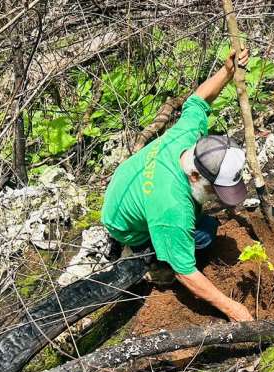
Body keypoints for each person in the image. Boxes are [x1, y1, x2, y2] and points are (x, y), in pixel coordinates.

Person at [101, 48, 254, 322]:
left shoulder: (191, 136)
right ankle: (148, 257)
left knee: (202, 224)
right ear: (195, 176)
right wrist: (234, 309)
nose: (218, 198)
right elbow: (186, 271)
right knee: (205, 233)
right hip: (122, 222)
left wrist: (227, 71)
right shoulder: (173, 209)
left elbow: (197, 100)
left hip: (126, 186)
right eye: (215, 190)